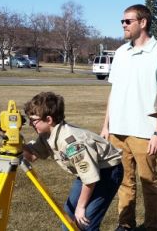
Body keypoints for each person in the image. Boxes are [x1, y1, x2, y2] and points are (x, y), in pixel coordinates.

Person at [100, 4, 157, 231]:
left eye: (127, 21)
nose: (123, 25)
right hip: (118, 131)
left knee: (149, 183)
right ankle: (125, 225)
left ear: (142, 23)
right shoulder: (121, 53)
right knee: (123, 181)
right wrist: (106, 126)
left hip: (145, 132)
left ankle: (153, 226)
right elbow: (114, 92)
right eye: (122, 21)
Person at [21, 92, 123, 231]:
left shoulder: (72, 143)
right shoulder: (47, 135)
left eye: (33, 120)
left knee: (85, 222)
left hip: (107, 172)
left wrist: (81, 207)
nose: (31, 124)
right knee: (68, 218)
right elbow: (31, 155)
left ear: (49, 119)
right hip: (88, 174)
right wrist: (14, 141)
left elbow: (90, 179)